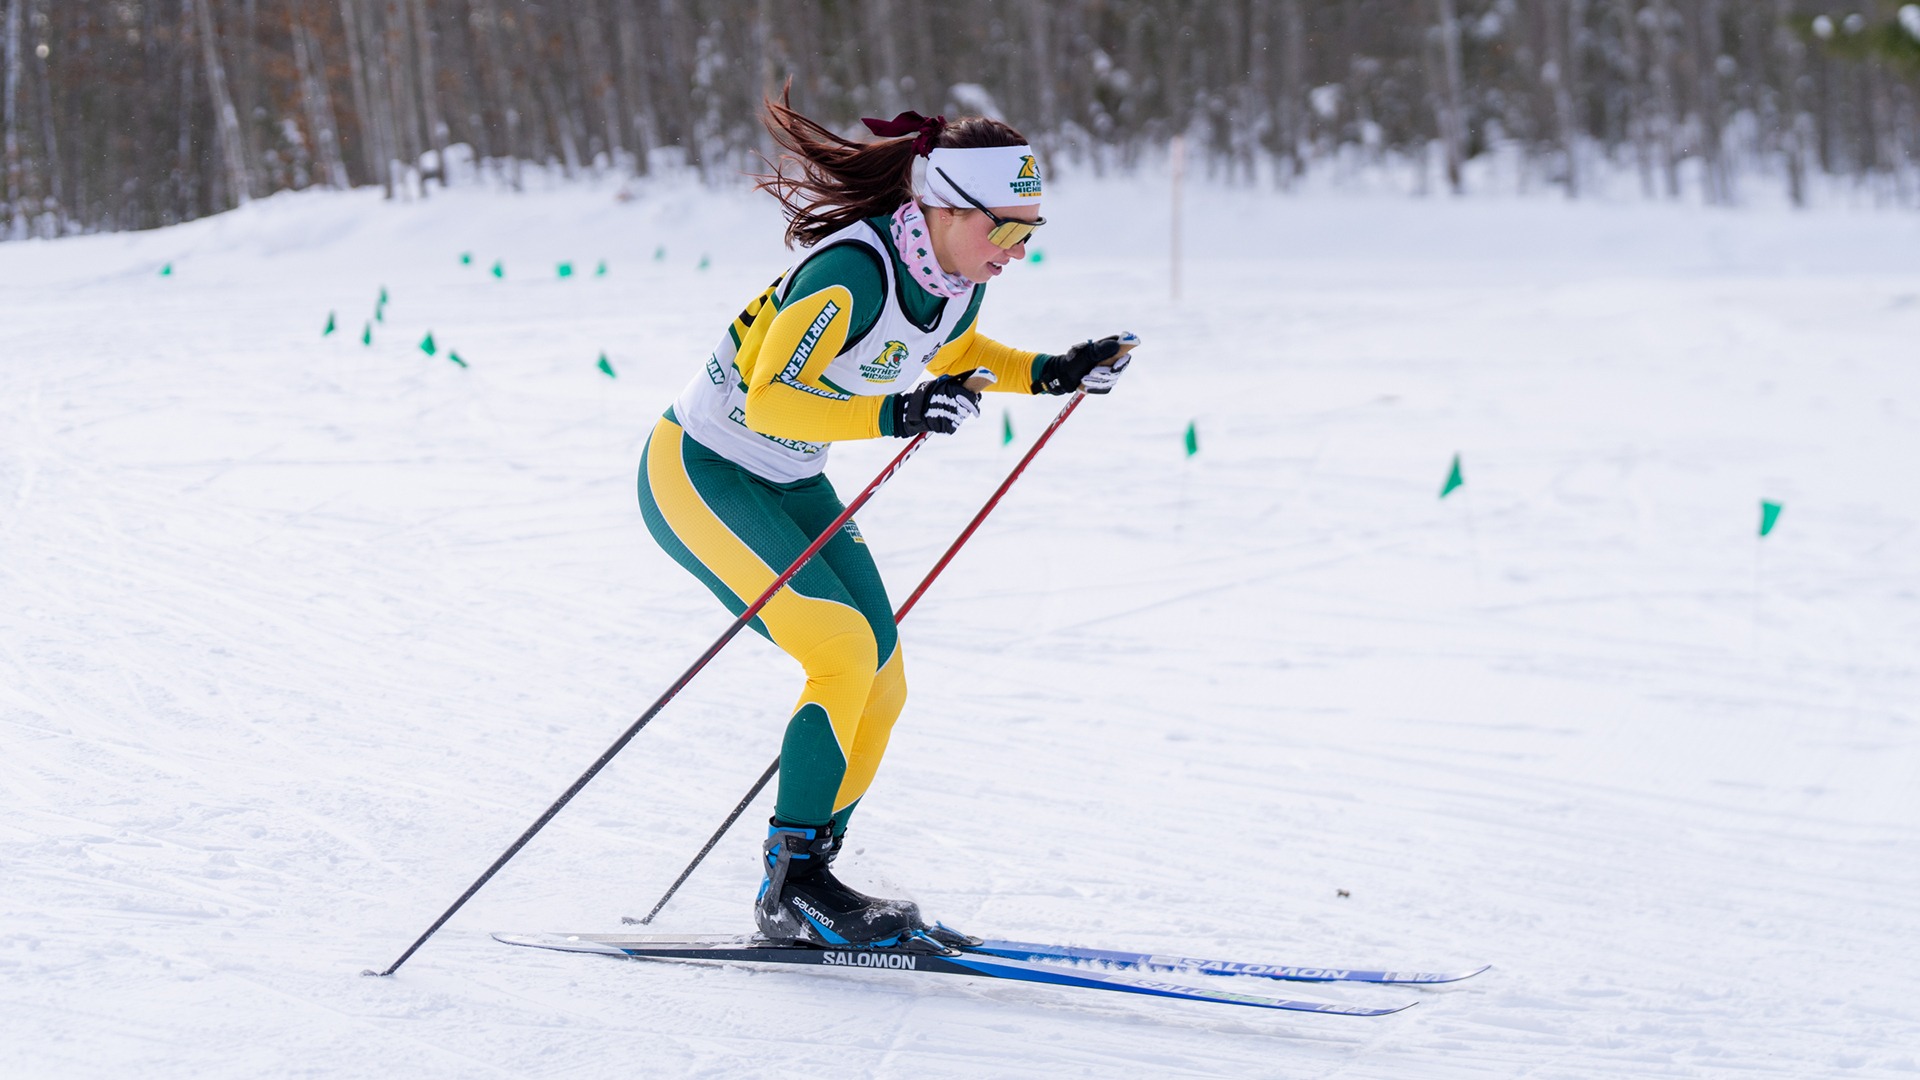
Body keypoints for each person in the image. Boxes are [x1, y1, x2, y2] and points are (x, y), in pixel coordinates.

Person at [637, 96, 1138, 949]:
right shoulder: (852, 273)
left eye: (1030, 233)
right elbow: (771, 398)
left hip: (792, 478)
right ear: (944, 208)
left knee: (883, 675)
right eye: (1005, 230)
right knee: (840, 648)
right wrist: (897, 413)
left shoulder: (953, 282)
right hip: (702, 470)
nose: (1016, 252)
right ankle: (793, 890)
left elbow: (956, 353)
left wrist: (1054, 371)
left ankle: (810, 873)